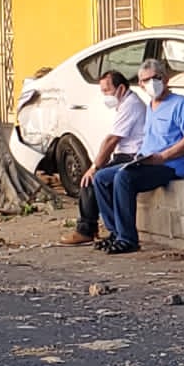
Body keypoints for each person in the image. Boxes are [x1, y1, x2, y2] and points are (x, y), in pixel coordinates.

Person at [93, 58, 184, 255]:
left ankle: (128, 239)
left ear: (165, 79)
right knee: (101, 178)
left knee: (123, 178)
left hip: (169, 165)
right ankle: (116, 232)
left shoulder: (180, 104)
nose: (149, 84)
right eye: (144, 80)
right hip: (146, 160)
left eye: (154, 78)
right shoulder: (151, 105)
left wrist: (163, 156)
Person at [58, 69, 146, 246]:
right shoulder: (125, 103)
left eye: (107, 90)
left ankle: (87, 229)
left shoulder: (131, 105)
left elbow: (112, 140)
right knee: (94, 178)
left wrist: (95, 166)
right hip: (123, 154)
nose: (104, 96)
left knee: (91, 179)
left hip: (131, 156)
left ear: (120, 88)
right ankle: (110, 229)